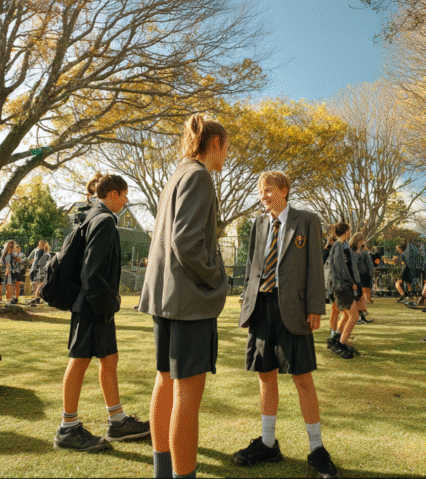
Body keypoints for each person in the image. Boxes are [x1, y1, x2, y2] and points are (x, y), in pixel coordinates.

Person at [138, 114, 230, 479]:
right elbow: (187, 242)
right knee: (187, 398)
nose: (227, 157)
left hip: (165, 299)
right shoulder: (199, 176)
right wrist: (216, 275)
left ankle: (163, 472)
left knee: (165, 382)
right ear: (215, 144)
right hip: (188, 303)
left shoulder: (178, 174)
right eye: (227, 148)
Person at [232, 171, 339, 478]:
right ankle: (267, 443)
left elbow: (315, 268)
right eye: (260, 191)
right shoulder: (259, 223)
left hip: (293, 309)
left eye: (268, 190)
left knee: (302, 378)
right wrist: (247, 299)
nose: (263, 195)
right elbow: (253, 265)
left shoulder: (307, 220)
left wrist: (315, 306)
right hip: (261, 308)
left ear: (284, 190)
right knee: (265, 375)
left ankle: (317, 449)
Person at [54, 173, 150, 453]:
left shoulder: (91, 216)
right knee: (79, 361)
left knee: (109, 359)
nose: (127, 200)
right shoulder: (105, 220)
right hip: (93, 306)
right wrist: (109, 303)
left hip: (92, 304)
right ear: (114, 194)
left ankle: (117, 421)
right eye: (125, 194)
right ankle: (67, 428)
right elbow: (92, 272)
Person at [326, 222, 361, 359]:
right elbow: (341, 268)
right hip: (341, 287)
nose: (350, 232)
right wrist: (352, 282)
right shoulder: (338, 246)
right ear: (345, 232)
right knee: (354, 316)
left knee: (347, 316)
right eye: (349, 230)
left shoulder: (341, 246)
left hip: (343, 286)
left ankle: (336, 342)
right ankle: (340, 344)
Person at [352, 234, 374, 324]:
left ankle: (361, 316)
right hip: (359, 275)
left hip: (359, 275)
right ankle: (359, 316)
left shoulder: (360, 251)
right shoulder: (358, 251)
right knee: (360, 297)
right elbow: (369, 265)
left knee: (360, 297)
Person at [27, 240, 51, 306]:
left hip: (39, 270)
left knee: (38, 284)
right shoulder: (37, 250)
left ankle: (37, 298)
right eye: (41, 244)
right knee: (36, 284)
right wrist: (32, 261)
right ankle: (36, 298)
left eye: (43, 244)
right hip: (36, 269)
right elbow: (30, 258)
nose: (42, 245)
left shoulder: (46, 253)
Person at [0, 240, 25, 305]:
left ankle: (10, 301)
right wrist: (7, 270)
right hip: (8, 272)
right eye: (9, 245)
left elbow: (19, 260)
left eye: (12, 246)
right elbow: (6, 263)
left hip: (11, 272)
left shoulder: (13, 254)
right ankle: (8, 301)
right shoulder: (5, 253)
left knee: (11, 286)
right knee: (8, 286)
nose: (11, 247)